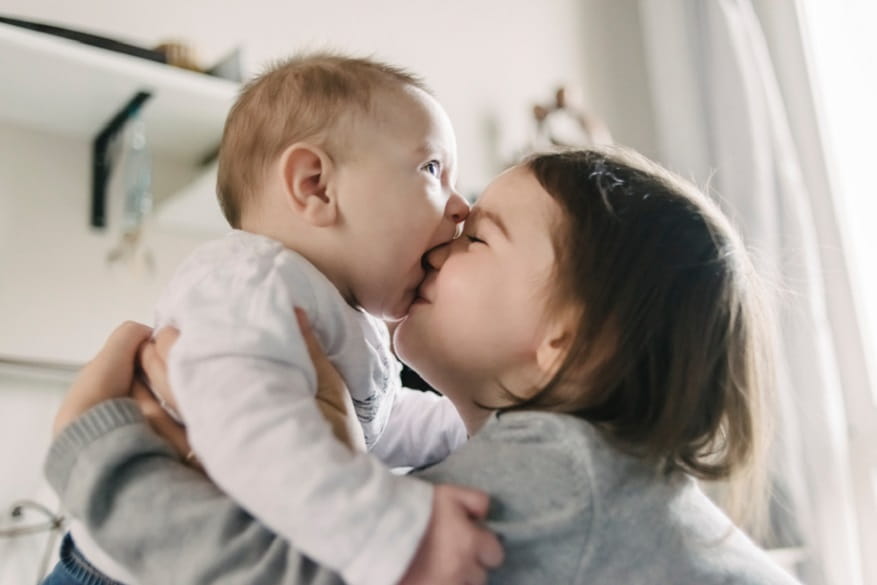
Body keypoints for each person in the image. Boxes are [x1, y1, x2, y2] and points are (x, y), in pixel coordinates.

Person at [45, 147, 802, 584]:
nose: (439, 236)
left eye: (477, 237)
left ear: (565, 341)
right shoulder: (591, 476)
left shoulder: (566, 473)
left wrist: (97, 450)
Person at [43, 53, 505, 585]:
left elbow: (381, 420)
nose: (461, 206)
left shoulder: (339, 311)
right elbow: (252, 428)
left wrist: (471, 427)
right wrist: (387, 530)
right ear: (315, 186)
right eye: (431, 169)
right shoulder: (250, 284)